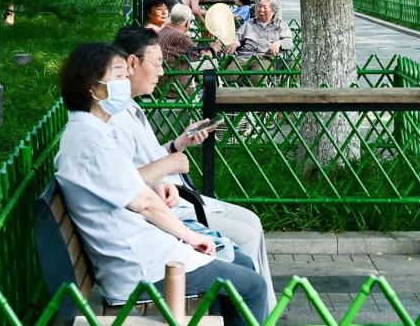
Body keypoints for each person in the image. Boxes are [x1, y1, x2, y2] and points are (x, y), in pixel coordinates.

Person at [55, 42, 268, 326]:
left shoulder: (92, 131)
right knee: (252, 287)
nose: (124, 82)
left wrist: (162, 196)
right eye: (118, 75)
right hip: (139, 266)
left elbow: (134, 189)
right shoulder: (90, 140)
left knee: (240, 265)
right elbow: (144, 204)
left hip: (143, 248)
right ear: (91, 87)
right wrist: (192, 238)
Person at [113, 28, 277, 314]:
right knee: (246, 246)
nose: (162, 72)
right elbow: (128, 185)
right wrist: (170, 166)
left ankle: (261, 311)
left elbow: (138, 171)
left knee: (251, 224)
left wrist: (179, 143)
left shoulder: (127, 111)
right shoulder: (109, 122)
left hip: (171, 205)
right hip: (168, 215)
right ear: (131, 64)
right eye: (157, 64)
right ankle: (253, 310)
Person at [225, 0, 293, 71]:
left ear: (273, 10)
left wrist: (279, 43)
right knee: (229, 75)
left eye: (265, 7)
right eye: (259, 6)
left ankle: (244, 82)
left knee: (257, 78)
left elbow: (289, 42)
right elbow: (237, 36)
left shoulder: (281, 25)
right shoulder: (249, 23)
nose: (261, 9)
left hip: (265, 58)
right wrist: (235, 41)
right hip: (244, 56)